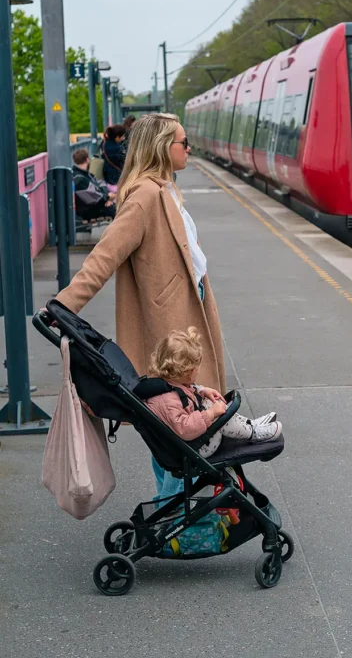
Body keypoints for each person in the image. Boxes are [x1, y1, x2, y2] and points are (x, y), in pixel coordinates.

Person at [56, 113, 226, 500]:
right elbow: (106, 255)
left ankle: (177, 507)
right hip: (169, 326)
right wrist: (64, 305)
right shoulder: (146, 196)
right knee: (172, 423)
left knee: (178, 421)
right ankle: (172, 508)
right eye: (183, 143)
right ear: (162, 148)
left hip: (188, 314)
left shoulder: (165, 190)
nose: (188, 149)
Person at [142, 327, 282, 457]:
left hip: (194, 442)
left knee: (211, 403)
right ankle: (253, 433)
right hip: (197, 448)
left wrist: (202, 390)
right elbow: (184, 429)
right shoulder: (167, 401)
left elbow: (185, 392)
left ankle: (249, 424)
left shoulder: (166, 384)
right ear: (186, 372)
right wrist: (210, 414)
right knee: (214, 413)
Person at [72, 149, 116, 221]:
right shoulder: (79, 179)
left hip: (95, 206)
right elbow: (96, 199)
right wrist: (107, 197)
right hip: (88, 211)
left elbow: (101, 184)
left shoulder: (84, 174)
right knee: (118, 211)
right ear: (87, 160)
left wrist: (106, 198)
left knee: (118, 208)